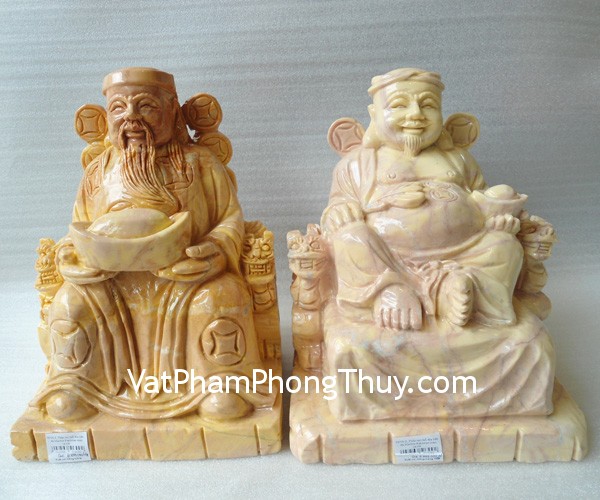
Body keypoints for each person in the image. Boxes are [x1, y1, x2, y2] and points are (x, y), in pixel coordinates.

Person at [35, 68, 271, 422]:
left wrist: (215, 251)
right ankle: (80, 385)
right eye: (118, 108)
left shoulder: (199, 164)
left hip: (186, 279)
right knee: (70, 301)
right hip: (110, 283)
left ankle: (218, 383)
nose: (131, 117)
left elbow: (230, 218)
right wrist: (71, 253)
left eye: (145, 106)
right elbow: (79, 227)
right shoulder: (98, 172)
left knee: (220, 296)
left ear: (172, 110)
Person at [319, 68, 554, 420]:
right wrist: (363, 207)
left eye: (427, 105)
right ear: (374, 115)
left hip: (463, 256)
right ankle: (389, 294)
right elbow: (336, 212)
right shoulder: (358, 164)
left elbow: (482, 198)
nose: (415, 114)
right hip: (390, 263)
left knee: (504, 248)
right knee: (351, 238)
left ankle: (456, 291)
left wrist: (497, 217)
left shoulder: (458, 159)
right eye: (400, 105)